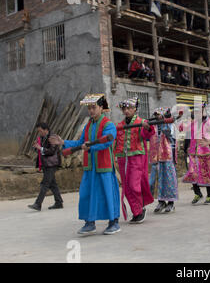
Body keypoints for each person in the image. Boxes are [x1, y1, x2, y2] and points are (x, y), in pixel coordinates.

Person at [49, 94, 121, 235]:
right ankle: (89, 222)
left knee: (107, 193)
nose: (91, 110)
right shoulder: (88, 125)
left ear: (101, 107)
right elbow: (80, 143)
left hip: (104, 166)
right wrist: (64, 143)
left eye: (94, 107)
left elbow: (107, 142)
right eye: (89, 108)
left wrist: (91, 147)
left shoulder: (108, 124)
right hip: (90, 167)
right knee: (87, 194)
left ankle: (114, 222)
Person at [114, 97, 155, 224]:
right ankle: (137, 212)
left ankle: (141, 207)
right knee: (126, 187)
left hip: (137, 157)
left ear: (135, 109)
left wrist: (147, 128)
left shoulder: (141, 122)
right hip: (123, 158)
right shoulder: (120, 125)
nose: (126, 111)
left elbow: (148, 135)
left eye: (129, 108)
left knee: (134, 185)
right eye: (124, 108)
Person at [181, 103, 210, 204]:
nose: (197, 112)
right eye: (196, 111)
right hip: (193, 152)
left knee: (207, 173)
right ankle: (197, 193)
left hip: (206, 151)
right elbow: (182, 128)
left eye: (200, 110)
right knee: (193, 173)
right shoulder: (192, 123)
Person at [28, 122, 63, 211]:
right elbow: (41, 151)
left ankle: (38, 204)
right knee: (52, 184)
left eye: (40, 131)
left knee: (45, 184)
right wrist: (36, 147)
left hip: (52, 164)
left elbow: (51, 151)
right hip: (46, 164)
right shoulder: (42, 138)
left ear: (46, 130)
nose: (39, 133)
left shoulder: (53, 137)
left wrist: (40, 148)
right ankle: (58, 202)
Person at [149, 107, 178, 213]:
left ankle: (171, 203)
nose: (157, 116)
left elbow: (173, 140)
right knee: (156, 180)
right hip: (156, 157)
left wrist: (168, 133)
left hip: (167, 156)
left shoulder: (170, 124)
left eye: (159, 114)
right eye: (155, 114)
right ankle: (161, 202)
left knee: (168, 179)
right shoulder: (154, 127)